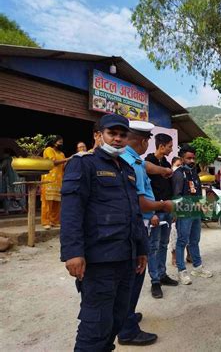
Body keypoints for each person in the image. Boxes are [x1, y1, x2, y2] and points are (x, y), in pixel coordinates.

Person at [60, 114, 149, 351]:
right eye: (113, 134)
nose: (118, 139)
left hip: (126, 258)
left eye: (123, 135)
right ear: (98, 135)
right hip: (99, 260)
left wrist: (140, 249)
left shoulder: (128, 169)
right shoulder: (83, 163)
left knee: (117, 319)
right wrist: (73, 252)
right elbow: (71, 211)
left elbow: (134, 213)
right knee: (95, 325)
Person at [117, 120, 174, 346]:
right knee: (133, 277)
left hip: (134, 224)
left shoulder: (130, 159)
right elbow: (140, 202)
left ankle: (126, 316)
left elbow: (148, 168)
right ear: (142, 141)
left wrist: (163, 170)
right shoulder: (131, 163)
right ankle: (127, 328)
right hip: (134, 226)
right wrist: (161, 206)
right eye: (147, 141)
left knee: (132, 276)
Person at [144, 133, 179, 299]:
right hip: (154, 212)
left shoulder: (166, 164)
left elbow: (170, 189)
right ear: (162, 146)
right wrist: (151, 214)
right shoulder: (147, 162)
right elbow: (144, 189)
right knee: (153, 246)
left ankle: (163, 274)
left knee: (164, 244)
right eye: (170, 146)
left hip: (166, 210)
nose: (171, 149)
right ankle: (155, 281)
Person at [172, 144, 212, 285]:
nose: (192, 160)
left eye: (193, 158)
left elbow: (199, 190)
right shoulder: (178, 174)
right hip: (184, 213)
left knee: (195, 240)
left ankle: (197, 267)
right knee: (182, 241)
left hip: (195, 212)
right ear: (182, 159)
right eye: (188, 158)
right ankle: (181, 271)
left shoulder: (194, 172)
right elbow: (176, 196)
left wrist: (202, 203)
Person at [41, 135, 69, 229]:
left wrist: (69, 162)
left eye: (62, 142)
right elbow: (53, 162)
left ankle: (55, 221)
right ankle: (46, 222)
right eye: (59, 142)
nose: (61, 144)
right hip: (48, 179)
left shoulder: (61, 153)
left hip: (59, 180)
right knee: (47, 202)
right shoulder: (49, 150)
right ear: (54, 142)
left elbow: (63, 166)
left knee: (57, 202)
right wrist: (67, 159)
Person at [169, 157, 182, 266]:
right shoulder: (169, 178)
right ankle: (174, 257)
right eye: (177, 165)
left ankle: (188, 255)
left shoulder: (185, 177)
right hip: (173, 207)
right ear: (172, 166)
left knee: (185, 233)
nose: (179, 168)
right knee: (174, 233)